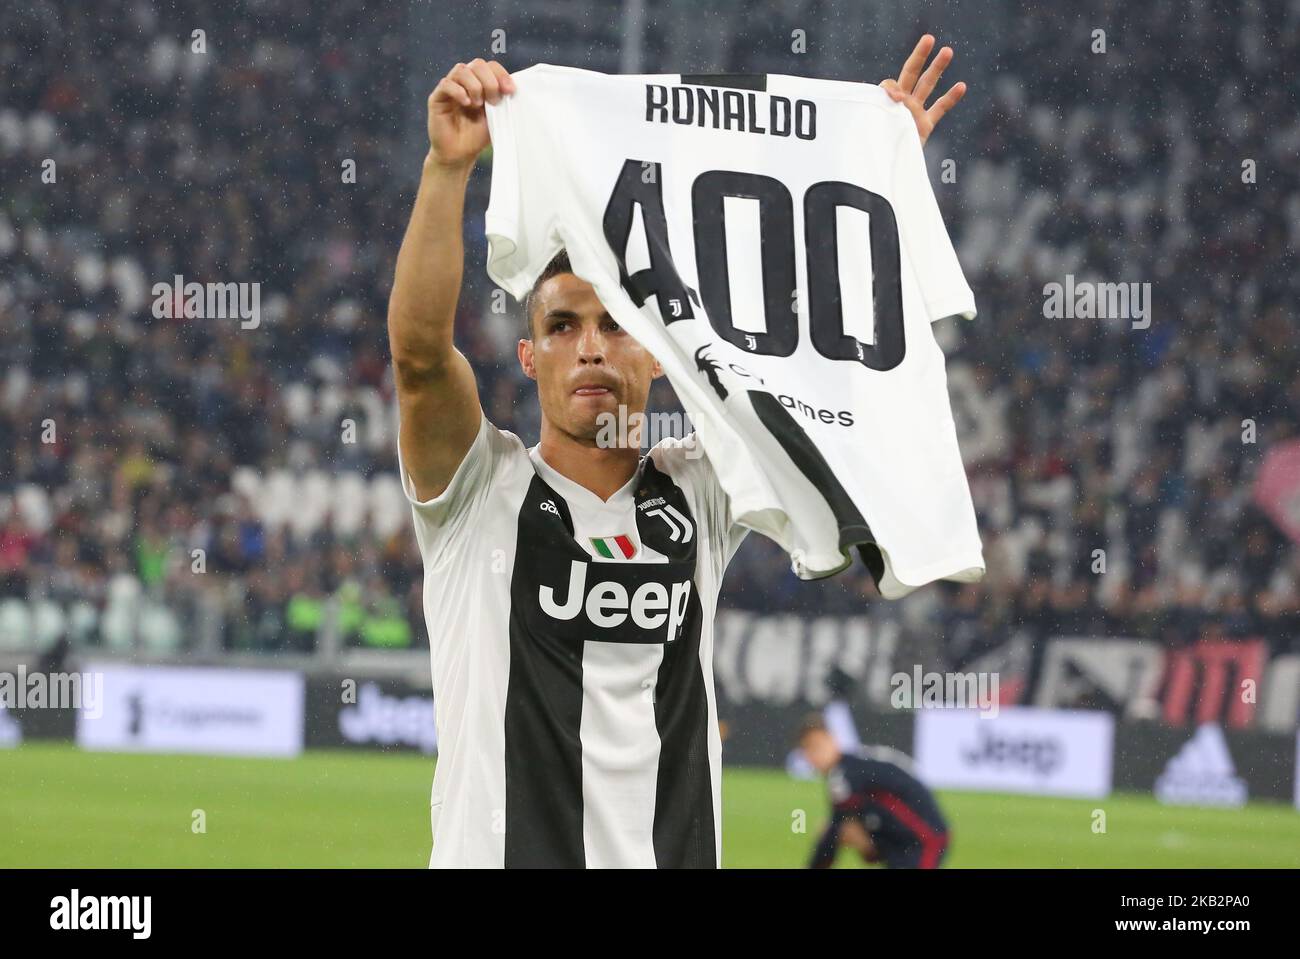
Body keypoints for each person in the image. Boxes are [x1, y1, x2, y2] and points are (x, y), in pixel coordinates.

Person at [388, 37, 966, 868]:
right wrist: (448, 172)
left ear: (657, 347)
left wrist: (873, 182)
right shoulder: (477, 488)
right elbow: (417, 358)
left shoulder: (702, 484)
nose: (590, 346)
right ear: (530, 356)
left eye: (615, 322)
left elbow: (826, 368)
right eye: (561, 325)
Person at [798, 714, 951, 869]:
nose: (814, 755)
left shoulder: (844, 776)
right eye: (808, 750)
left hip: (923, 839)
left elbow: (833, 835)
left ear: (833, 740)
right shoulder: (852, 767)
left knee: (837, 829)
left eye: (818, 746)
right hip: (904, 840)